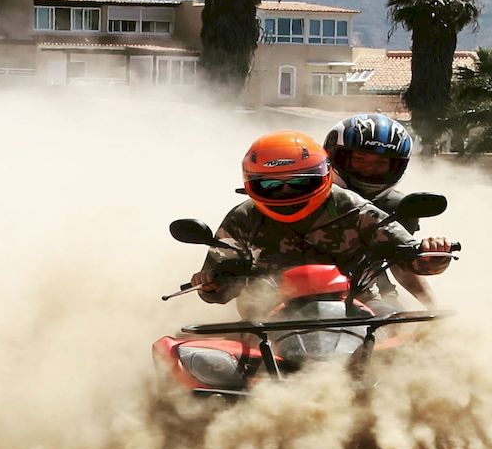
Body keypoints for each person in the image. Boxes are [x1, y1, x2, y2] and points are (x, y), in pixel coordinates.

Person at [189, 130, 453, 314]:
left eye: (300, 182)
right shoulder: (243, 217)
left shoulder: (351, 205)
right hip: (270, 312)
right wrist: (209, 283)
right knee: (212, 363)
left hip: (359, 303)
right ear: (251, 184)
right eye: (270, 184)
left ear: (323, 175)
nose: (286, 192)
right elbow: (216, 289)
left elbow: (408, 255)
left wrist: (433, 254)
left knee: (412, 345)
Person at [324, 113, 434, 306]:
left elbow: (400, 263)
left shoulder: (396, 208)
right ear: (337, 155)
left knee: (400, 322)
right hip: (296, 291)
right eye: (359, 158)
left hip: (369, 291)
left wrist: (436, 309)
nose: (369, 168)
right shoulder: (304, 195)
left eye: (380, 163)